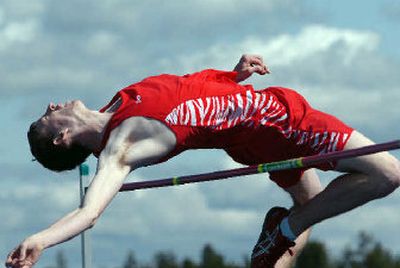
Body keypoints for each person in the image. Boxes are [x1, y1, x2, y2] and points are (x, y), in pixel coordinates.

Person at [6, 54, 400, 268]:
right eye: (47, 115)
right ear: (61, 138)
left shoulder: (120, 100)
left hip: (254, 134)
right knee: (388, 175)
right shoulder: (121, 147)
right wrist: (40, 239)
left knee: (308, 211)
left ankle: (281, 236)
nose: (52, 104)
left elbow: (186, 88)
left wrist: (233, 75)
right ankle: (284, 228)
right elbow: (89, 212)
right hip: (281, 122)